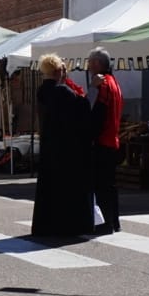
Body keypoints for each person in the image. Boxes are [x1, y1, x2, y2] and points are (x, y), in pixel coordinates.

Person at [30, 54, 95, 238]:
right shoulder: (63, 92)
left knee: (49, 189)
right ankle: (67, 225)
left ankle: (46, 225)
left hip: (49, 145)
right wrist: (93, 89)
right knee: (65, 189)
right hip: (66, 147)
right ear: (58, 70)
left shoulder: (42, 91)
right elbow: (83, 108)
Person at [85, 49, 124, 235]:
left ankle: (105, 223)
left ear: (98, 64)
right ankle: (114, 221)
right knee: (110, 185)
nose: (88, 66)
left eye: (90, 62)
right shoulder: (115, 82)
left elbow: (97, 114)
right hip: (112, 140)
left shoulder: (102, 84)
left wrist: (89, 136)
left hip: (102, 140)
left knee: (101, 185)